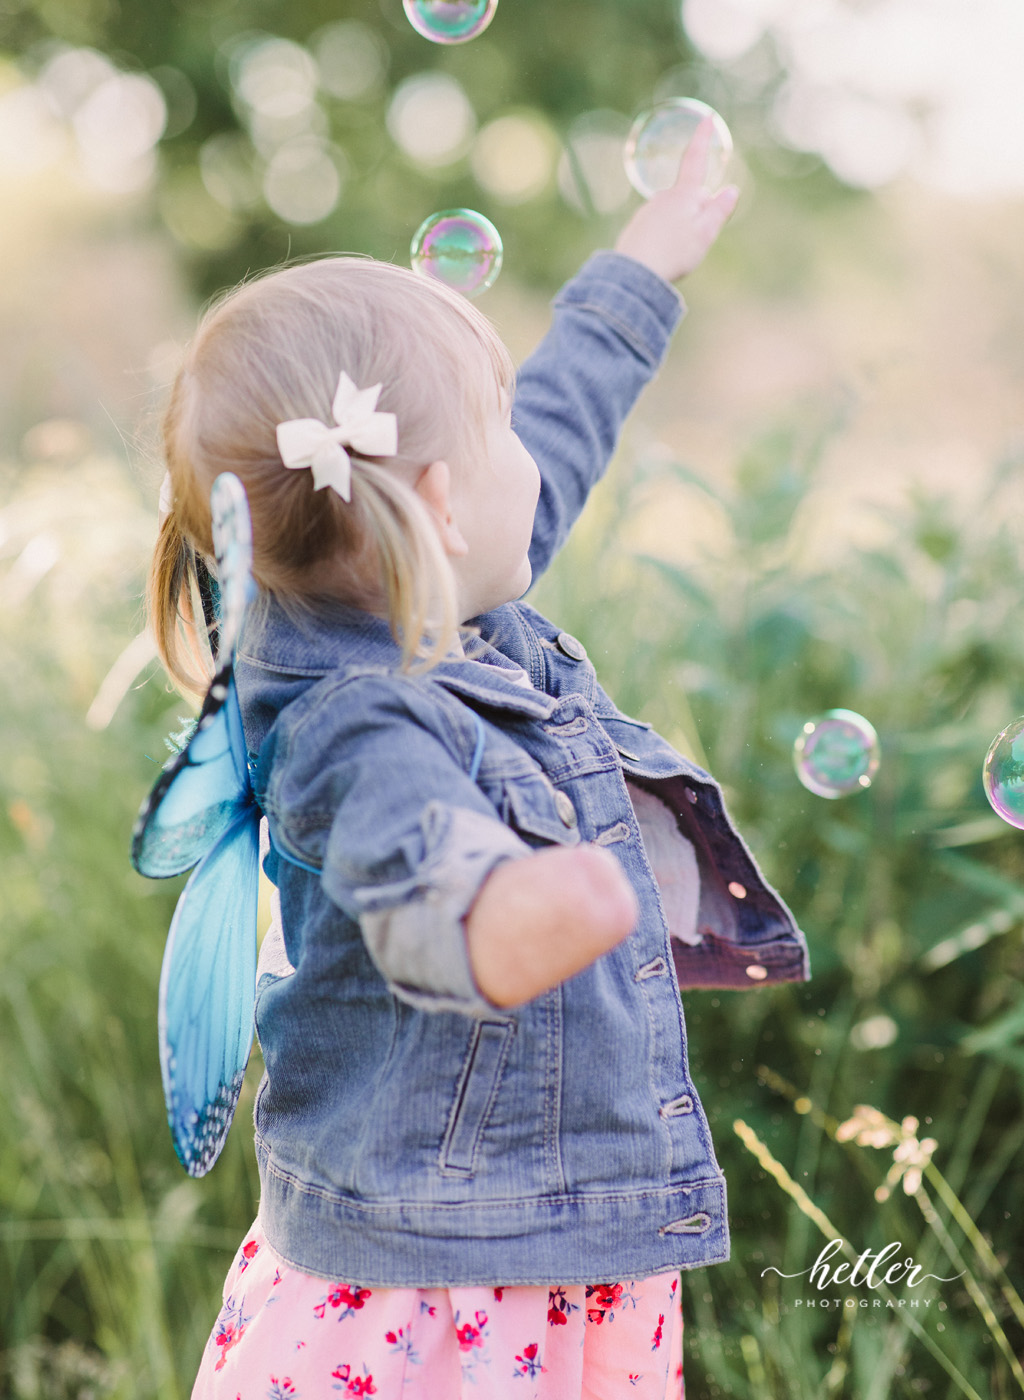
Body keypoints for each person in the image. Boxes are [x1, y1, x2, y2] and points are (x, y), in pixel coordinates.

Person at [150, 120, 809, 1400]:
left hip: (539, 1236)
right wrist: (499, 909)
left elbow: (561, 424)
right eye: (500, 430)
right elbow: (415, 864)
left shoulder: (421, 590)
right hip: (439, 1291)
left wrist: (642, 264)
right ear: (443, 503)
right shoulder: (354, 716)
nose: (536, 461)